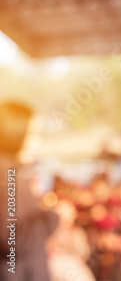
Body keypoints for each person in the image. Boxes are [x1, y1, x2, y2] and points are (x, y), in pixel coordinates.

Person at [0, 101, 59, 281]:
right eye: (32, 135)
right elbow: (11, 240)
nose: (36, 143)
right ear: (14, 133)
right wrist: (51, 217)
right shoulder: (6, 176)